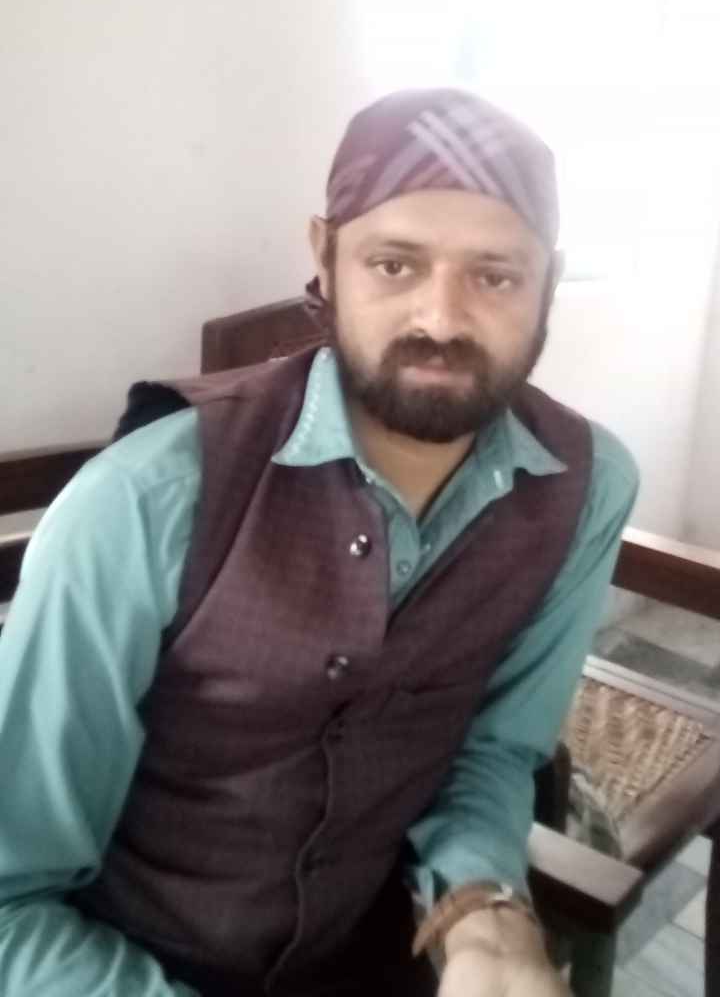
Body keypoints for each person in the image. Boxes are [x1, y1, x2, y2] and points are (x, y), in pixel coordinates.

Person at [0, 87, 640, 996]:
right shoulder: (147, 502)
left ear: (550, 282)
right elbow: (11, 898)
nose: (441, 320)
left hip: (374, 950)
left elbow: (496, 748)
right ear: (325, 256)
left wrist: (483, 911)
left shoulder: (586, 487)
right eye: (394, 264)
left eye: (495, 276)